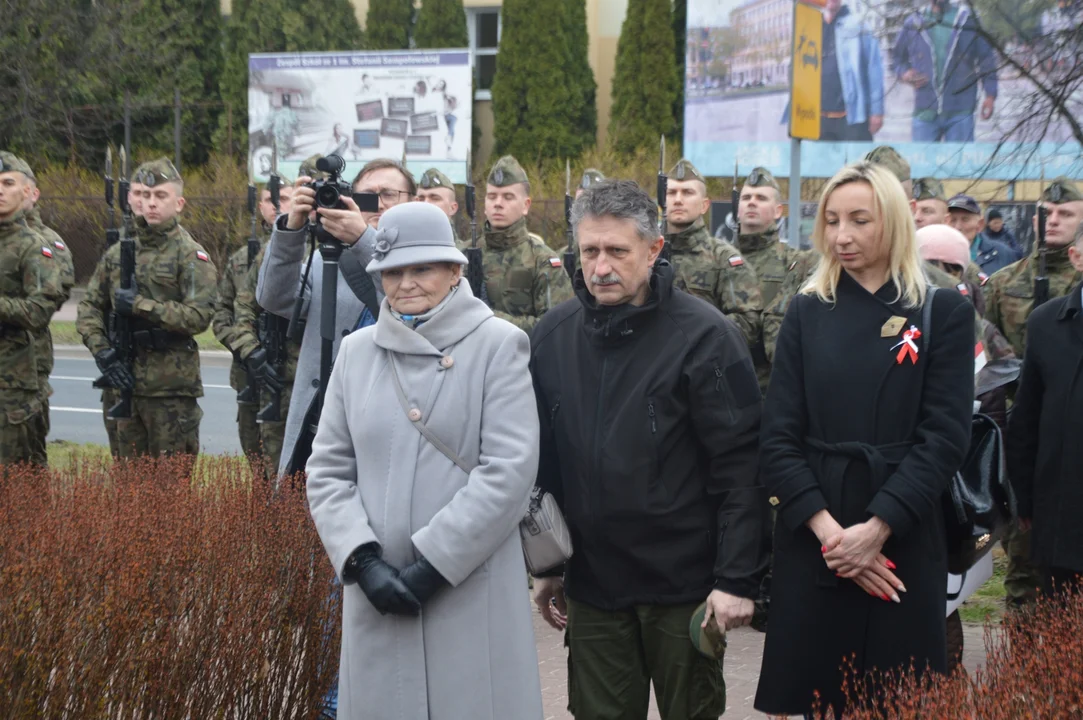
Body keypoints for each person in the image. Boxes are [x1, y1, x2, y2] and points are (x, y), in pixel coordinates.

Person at [531, 180, 766, 719]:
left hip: (684, 588)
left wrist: (735, 579)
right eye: (589, 251)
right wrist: (546, 564)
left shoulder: (705, 337)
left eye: (617, 251)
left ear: (654, 249)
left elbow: (742, 468)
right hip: (593, 587)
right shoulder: (553, 337)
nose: (600, 267)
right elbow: (544, 468)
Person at [305, 201, 544, 720]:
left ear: (455, 271)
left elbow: (508, 470)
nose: (406, 283)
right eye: (392, 271)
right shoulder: (356, 353)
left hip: (466, 587)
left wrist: (433, 567)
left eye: (422, 268)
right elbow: (327, 469)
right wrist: (362, 562)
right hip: (377, 593)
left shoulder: (499, 345)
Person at [755, 162, 974, 716]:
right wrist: (834, 538)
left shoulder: (941, 308)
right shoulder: (808, 309)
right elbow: (779, 436)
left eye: (858, 220)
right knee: (819, 700)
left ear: (894, 222)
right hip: (816, 536)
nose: (841, 236)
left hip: (901, 532)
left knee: (894, 700)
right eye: (830, 221)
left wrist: (875, 531)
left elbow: (945, 437)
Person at [257, 156, 414, 477]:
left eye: (389, 194)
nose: (378, 205)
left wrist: (363, 241)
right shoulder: (324, 260)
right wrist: (292, 229)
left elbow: (408, 308)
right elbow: (272, 298)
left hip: (398, 421)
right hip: (325, 418)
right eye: (368, 196)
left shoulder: (431, 262)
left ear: (413, 201)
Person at [985, 177, 1083, 610]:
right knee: (1040, 594)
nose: (1054, 221)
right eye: (1049, 212)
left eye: (1067, 213)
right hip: (1048, 471)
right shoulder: (1026, 300)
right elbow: (1015, 406)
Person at [76, 158, 218, 458]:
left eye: (160, 196)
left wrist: (142, 306)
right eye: (143, 195)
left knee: (170, 490)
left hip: (170, 390)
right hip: (121, 382)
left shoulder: (190, 256)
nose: (150, 203)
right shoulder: (117, 254)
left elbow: (199, 316)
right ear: (133, 199)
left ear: (179, 203)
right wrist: (104, 354)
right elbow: (89, 308)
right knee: (128, 489)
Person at [1006, 220, 1083, 599]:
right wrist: (1022, 495)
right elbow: (1026, 418)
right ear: (1076, 257)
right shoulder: (1047, 323)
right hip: (1062, 510)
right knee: (1063, 624)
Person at [214, 180, 295, 465]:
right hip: (248, 373)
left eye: (284, 198)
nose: (276, 205)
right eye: (269, 200)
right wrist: (247, 349)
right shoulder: (241, 260)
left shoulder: (308, 254)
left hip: (287, 374)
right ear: (259, 206)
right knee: (256, 461)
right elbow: (223, 314)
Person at [0, 152, 69, 466]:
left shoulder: (35, 245)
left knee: (19, 478)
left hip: (15, 378)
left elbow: (40, 309)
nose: (0, 190)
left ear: (27, 192)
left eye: (7, 183)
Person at [664, 158, 763, 349]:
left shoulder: (724, 259)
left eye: (687, 192)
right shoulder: (647, 254)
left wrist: (695, 338)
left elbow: (747, 322)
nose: (677, 199)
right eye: (671, 192)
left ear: (704, 205)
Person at [466, 155, 573, 332]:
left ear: (526, 205)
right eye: (492, 196)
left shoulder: (543, 261)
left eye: (508, 197)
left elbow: (557, 327)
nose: (498, 204)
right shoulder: (464, 254)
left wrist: (490, 321)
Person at [735, 166, 815, 392]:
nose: (752, 202)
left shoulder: (795, 263)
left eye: (761, 198)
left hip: (772, 388)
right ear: (738, 207)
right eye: (746, 197)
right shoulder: (720, 261)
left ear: (778, 210)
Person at [21, 167, 75, 465]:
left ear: (33, 193)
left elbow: (60, 290)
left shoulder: (47, 241)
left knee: (28, 448)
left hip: (30, 354)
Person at [894, 0, 998, 142]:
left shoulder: (967, 19)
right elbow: (898, 59)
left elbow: (986, 58)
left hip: (960, 112)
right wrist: (904, 73)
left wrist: (990, 94)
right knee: (923, 164)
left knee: (959, 164)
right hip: (925, 113)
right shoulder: (913, 22)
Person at [819, 0, 884, 140]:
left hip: (852, 118)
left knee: (857, 161)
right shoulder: (811, 28)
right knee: (821, 161)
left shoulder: (859, 25)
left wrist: (876, 112)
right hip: (819, 120)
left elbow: (874, 70)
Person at [948, 194, 1015, 276]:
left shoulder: (1004, 254)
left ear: (980, 224)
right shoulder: (935, 256)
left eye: (965, 219)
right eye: (952, 220)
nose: (957, 227)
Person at [416, 168, 459, 241]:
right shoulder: (401, 249)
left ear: (452, 208)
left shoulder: (462, 251)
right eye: (421, 199)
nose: (426, 203)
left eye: (435, 198)